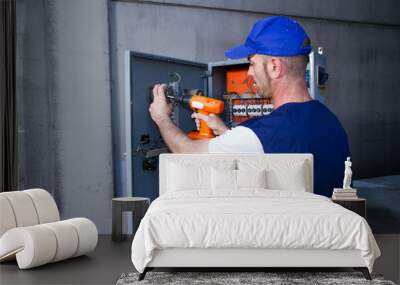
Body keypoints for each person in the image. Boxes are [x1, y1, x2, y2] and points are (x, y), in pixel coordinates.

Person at [149, 15, 350, 197]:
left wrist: (162, 118)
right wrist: (226, 133)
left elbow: (188, 153)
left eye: (252, 64)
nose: (249, 74)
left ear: (274, 67)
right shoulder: (332, 122)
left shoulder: (260, 134)